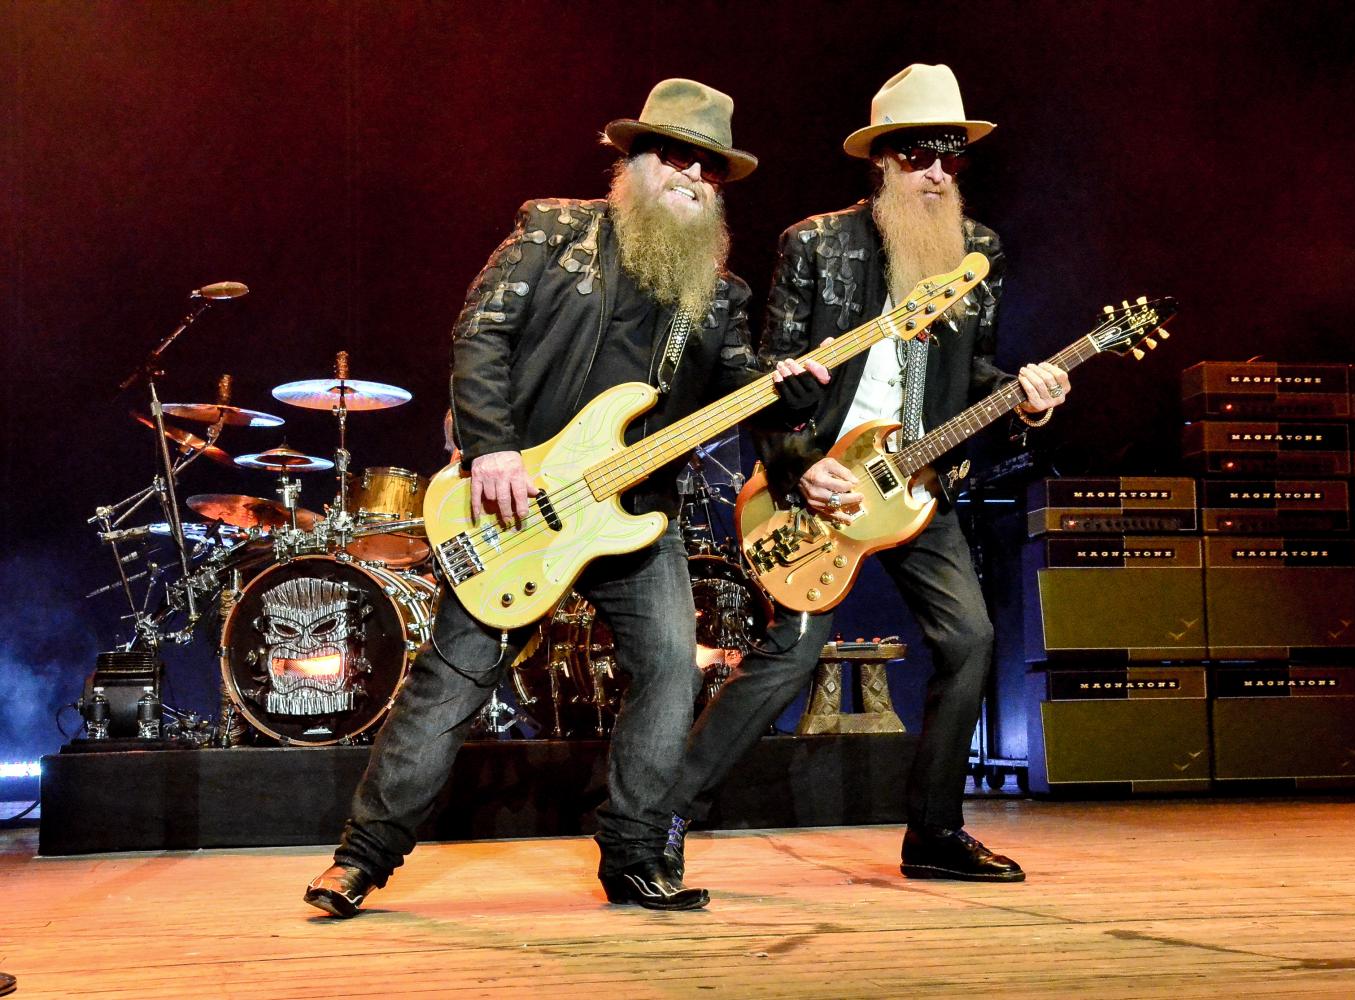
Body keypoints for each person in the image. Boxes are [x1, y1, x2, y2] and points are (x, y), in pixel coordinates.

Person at [306, 78, 825, 915]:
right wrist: (492, 447)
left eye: (711, 170)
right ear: (634, 161)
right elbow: (481, 331)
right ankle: (361, 859)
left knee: (669, 672)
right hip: (519, 501)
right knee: (453, 678)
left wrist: (792, 389)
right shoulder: (555, 228)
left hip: (634, 514)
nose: (693, 177)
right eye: (676, 157)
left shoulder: (719, 296)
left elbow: (740, 386)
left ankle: (631, 856)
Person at [663, 63, 1070, 884]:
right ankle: (664, 815)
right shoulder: (818, 245)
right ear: (880, 159)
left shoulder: (977, 252)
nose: (936, 173)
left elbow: (976, 373)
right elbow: (767, 379)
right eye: (919, 155)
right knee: (789, 654)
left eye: (951, 159)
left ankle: (933, 835)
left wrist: (1027, 398)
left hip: (919, 483)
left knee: (971, 641)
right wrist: (801, 468)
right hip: (821, 481)